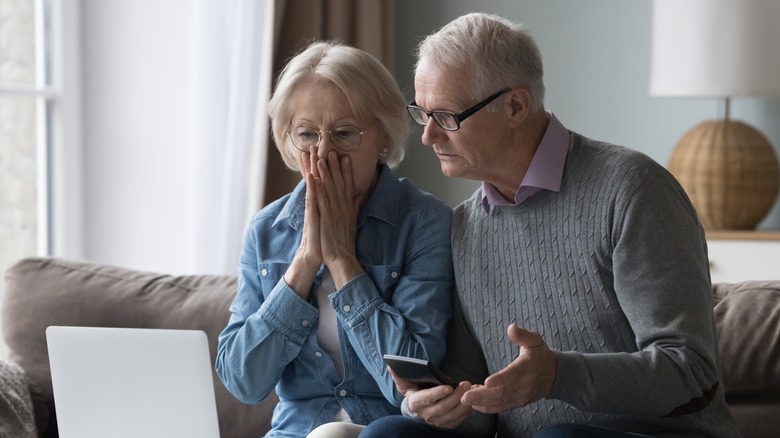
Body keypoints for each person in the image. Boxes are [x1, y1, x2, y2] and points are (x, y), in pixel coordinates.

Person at [360, 12, 741, 438]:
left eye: (446, 116)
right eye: (422, 113)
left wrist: (559, 374)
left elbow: (690, 370)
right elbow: (480, 407)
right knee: (388, 433)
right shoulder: (466, 227)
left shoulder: (632, 189)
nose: (429, 137)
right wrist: (436, 403)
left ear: (515, 106)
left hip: (663, 433)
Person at [215, 41, 454, 438]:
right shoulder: (267, 231)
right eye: (307, 134)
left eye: (344, 134)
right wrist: (305, 262)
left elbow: (415, 384)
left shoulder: (424, 223)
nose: (324, 152)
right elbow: (243, 381)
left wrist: (344, 262)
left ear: (383, 137)